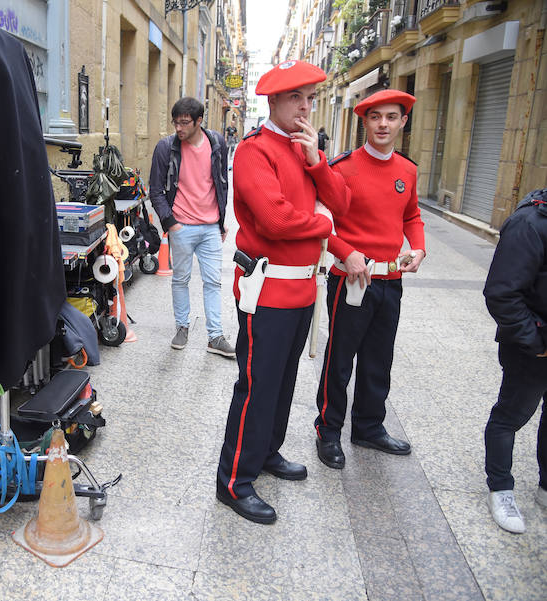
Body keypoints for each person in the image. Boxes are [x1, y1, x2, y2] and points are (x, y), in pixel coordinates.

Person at [216, 61, 350, 524]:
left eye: (310, 98)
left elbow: (343, 203)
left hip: (300, 292)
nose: (306, 106)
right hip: (266, 291)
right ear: (273, 101)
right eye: (296, 98)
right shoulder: (255, 151)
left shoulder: (304, 149)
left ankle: (266, 452)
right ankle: (234, 480)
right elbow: (275, 221)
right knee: (256, 387)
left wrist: (318, 161)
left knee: (283, 383)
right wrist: (323, 225)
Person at [313, 89, 425, 471]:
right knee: (340, 359)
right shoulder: (343, 167)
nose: (383, 124)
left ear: (402, 122)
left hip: (391, 280)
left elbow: (412, 215)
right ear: (364, 121)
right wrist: (345, 251)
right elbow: (322, 223)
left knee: (379, 358)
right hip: (351, 281)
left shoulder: (407, 170)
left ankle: (369, 427)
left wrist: (420, 247)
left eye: (391, 117)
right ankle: (328, 431)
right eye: (375, 117)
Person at [482, 187, 547, 534]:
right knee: (510, 416)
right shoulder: (529, 223)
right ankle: (501, 488)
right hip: (532, 348)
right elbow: (501, 292)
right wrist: (536, 341)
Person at [149, 97, 235, 358]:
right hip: (181, 226)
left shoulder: (217, 143)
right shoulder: (166, 148)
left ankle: (215, 336)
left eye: (185, 123)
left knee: (213, 282)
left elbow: (221, 184)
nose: (179, 128)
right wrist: (170, 223)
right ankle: (182, 327)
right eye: (176, 122)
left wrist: (221, 222)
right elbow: (155, 191)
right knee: (181, 280)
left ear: (199, 121)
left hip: (210, 227)